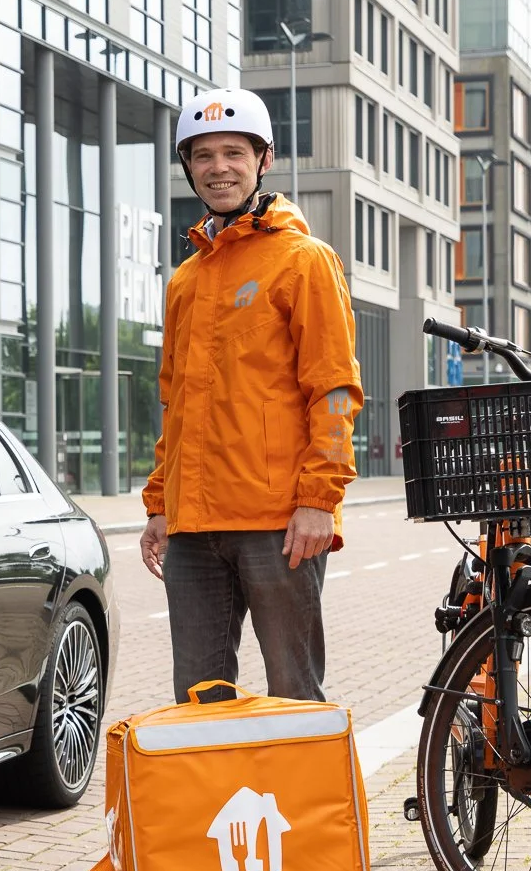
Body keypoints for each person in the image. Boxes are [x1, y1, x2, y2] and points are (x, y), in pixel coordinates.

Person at [137, 87, 363, 703]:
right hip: (192, 531)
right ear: (189, 167)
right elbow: (175, 403)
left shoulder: (304, 261)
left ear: (264, 160)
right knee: (199, 701)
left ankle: (303, 803)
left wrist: (320, 499)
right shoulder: (186, 279)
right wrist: (160, 503)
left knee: (294, 694)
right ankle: (222, 805)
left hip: (279, 523)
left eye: (234, 153)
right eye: (203, 156)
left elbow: (335, 389)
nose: (218, 168)